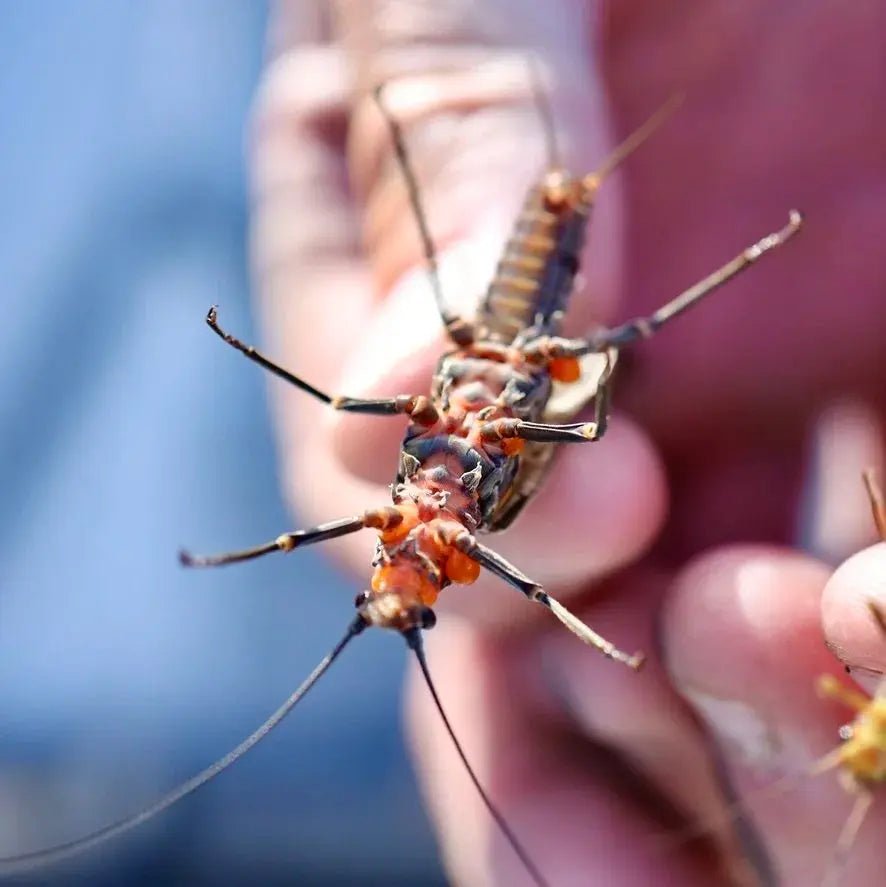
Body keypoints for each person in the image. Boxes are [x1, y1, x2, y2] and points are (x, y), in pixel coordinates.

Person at [255, 1, 886, 883]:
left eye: (379, 593)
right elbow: (543, 581)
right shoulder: (475, 536)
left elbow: (347, 409)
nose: (398, 582)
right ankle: (753, 252)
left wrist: (415, 119)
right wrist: (599, 640)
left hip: (482, 317)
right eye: (412, 601)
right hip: (542, 344)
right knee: (607, 397)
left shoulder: (403, 499)